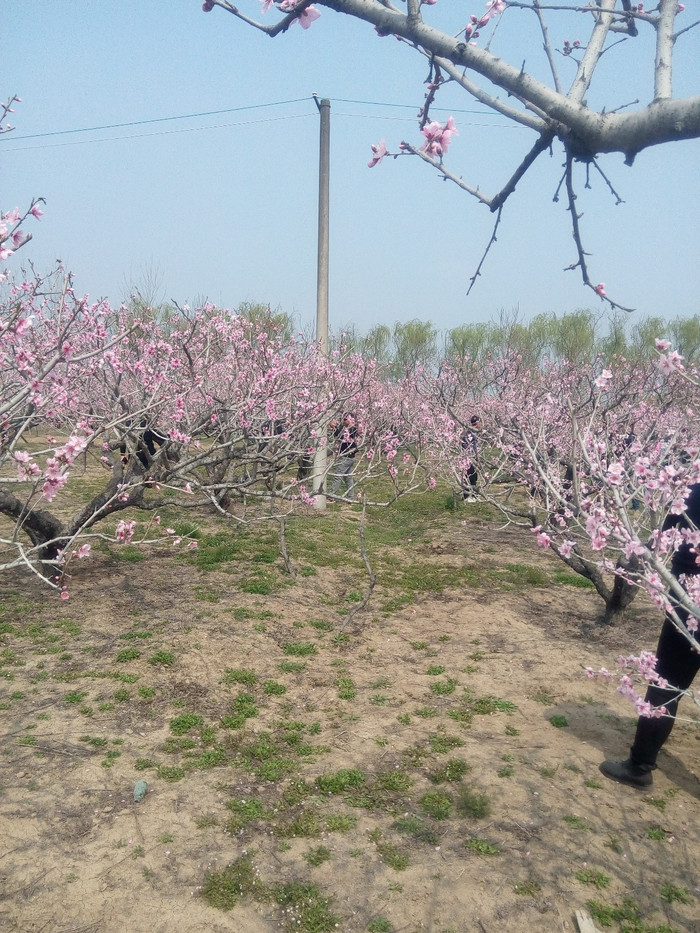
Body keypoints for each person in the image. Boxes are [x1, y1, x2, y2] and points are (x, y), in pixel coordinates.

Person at [600, 482, 700, 788]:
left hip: (689, 598)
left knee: (667, 682)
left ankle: (640, 765)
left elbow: (662, 537)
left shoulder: (691, 492)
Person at [328, 413, 358, 500]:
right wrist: (335, 427)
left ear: (350, 420)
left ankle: (332, 496)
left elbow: (341, 436)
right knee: (348, 478)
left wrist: (334, 428)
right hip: (349, 457)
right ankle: (351, 497)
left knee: (338, 476)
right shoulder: (346, 428)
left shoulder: (352, 429)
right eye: (343, 419)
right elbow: (339, 435)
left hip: (346, 457)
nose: (343, 421)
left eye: (345, 419)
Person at [461, 414, 482, 502]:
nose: (481, 424)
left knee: (472, 476)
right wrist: (475, 456)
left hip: (469, 457)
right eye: (480, 422)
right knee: (470, 476)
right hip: (469, 458)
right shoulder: (470, 433)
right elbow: (471, 446)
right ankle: (468, 497)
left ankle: (472, 495)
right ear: (477, 423)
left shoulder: (469, 432)